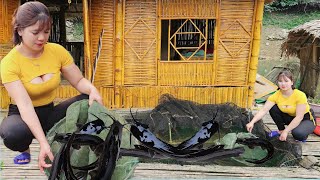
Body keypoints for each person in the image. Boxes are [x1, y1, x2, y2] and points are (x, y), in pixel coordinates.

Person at [0, 1, 102, 173]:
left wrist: (93, 90)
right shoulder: (9, 63)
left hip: (50, 112)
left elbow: (78, 81)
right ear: (20, 30)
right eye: (35, 32)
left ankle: (59, 139)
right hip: (22, 115)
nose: (42, 38)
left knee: (86, 101)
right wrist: (43, 144)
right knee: (13, 134)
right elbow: (25, 106)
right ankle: (25, 148)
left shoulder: (57, 51)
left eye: (46, 32)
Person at [246, 70, 315, 142]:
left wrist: (286, 131)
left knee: (298, 134)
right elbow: (263, 110)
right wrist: (252, 122)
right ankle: (281, 130)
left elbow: (299, 117)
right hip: (289, 117)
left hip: (305, 119)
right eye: (280, 81)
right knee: (273, 108)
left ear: (291, 82)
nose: (283, 84)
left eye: (286, 81)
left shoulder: (300, 95)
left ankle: (301, 132)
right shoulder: (275, 95)